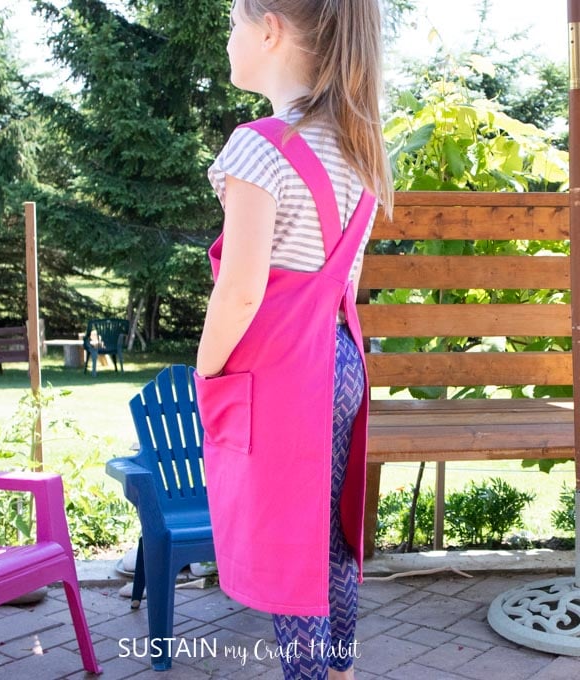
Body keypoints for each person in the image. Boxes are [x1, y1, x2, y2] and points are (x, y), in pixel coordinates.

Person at [194, 1, 393, 678]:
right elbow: (341, 285)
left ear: (271, 29)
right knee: (329, 533)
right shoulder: (357, 148)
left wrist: (207, 369)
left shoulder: (258, 146)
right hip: (340, 363)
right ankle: (340, 671)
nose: (228, 38)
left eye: (232, 21)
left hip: (281, 378)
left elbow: (241, 290)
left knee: (287, 544)